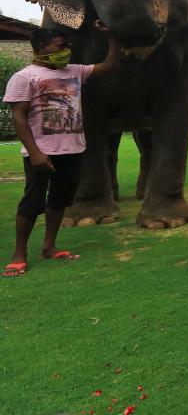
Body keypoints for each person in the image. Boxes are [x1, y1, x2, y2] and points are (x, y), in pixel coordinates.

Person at [3, 25, 120, 277]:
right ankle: (19, 254)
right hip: (42, 152)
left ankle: (49, 247)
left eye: (67, 46)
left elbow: (109, 65)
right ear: (42, 47)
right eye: (60, 46)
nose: (66, 51)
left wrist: (112, 36)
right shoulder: (25, 77)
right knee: (32, 202)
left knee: (59, 200)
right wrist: (34, 152)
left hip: (73, 150)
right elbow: (20, 118)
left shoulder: (75, 72)